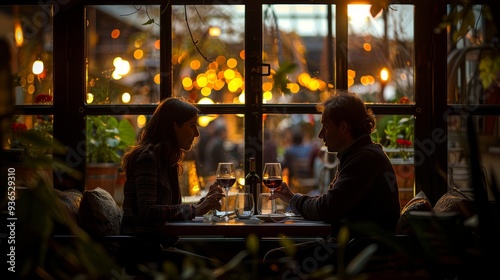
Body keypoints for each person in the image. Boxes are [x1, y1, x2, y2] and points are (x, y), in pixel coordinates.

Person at [264, 90, 401, 274]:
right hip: (354, 246)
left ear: (343, 127)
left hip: (357, 251)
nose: (320, 135)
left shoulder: (363, 159)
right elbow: (331, 205)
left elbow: (327, 208)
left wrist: (293, 199)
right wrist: (293, 198)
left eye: (326, 127)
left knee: (275, 259)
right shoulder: (359, 155)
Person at [120, 97, 225, 271]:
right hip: (145, 254)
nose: (197, 133)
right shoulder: (148, 158)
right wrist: (196, 210)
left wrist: (203, 202)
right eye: (192, 125)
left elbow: (168, 210)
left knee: (221, 260)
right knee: (221, 270)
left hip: (161, 247)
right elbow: (147, 211)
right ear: (173, 126)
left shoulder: (164, 159)